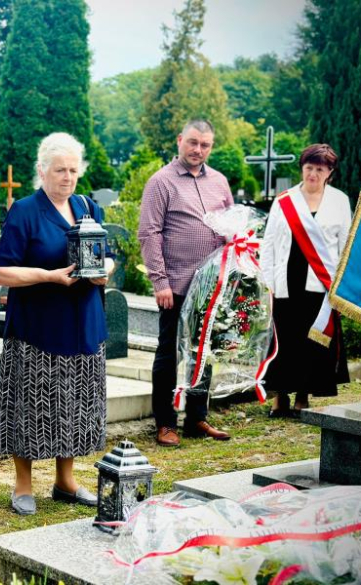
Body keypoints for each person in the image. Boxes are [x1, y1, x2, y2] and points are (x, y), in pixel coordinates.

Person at [0, 132, 113, 516]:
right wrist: (49, 276)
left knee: (76, 405)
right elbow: (0, 272)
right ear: (42, 171)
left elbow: (106, 256)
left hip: (83, 323)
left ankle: (66, 480)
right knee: (30, 406)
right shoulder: (25, 210)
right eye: (60, 169)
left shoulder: (88, 206)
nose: (68, 177)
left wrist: (103, 272)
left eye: (74, 170)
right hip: (37, 327)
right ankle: (23, 485)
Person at [138, 119, 233, 447]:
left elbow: (230, 227)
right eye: (193, 142)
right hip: (175, 285)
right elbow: (149, 233)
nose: (198, 150)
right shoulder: (161, 182)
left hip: (211, 285)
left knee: (203, 351)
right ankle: (165, 423)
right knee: (168, 353)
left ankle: (197, 418)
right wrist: (159, 280)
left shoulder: (220, 182)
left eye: (205, 145)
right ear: (180, 140)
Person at [260, 144, 351, 416]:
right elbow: (269, 244)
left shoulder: (339, 201)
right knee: (283, 340)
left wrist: (341, 285)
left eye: (319, 169)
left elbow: (345, 246)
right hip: (285, 281)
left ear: (329, 172)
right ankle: (279, 395)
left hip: (320, 284)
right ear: (302, 168)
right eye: (309, 167)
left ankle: (303, 394)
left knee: (310, 341)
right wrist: (267, 282)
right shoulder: (284, 200)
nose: (313, 173)